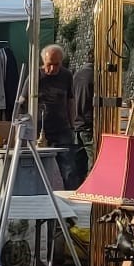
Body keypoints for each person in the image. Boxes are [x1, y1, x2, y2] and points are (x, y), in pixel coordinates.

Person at [36, 44, 87, 190]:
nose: (52, 69)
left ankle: (72, 199)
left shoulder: (66, 75)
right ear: (43, 62)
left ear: (61, 62)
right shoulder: (35, 76)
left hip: (62, 128)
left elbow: (71, 101)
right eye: (49, 65)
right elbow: (22, 100)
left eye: (56, 64)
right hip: (40, 129)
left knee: (70, 169)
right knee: (38, 169)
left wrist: (72, 124)